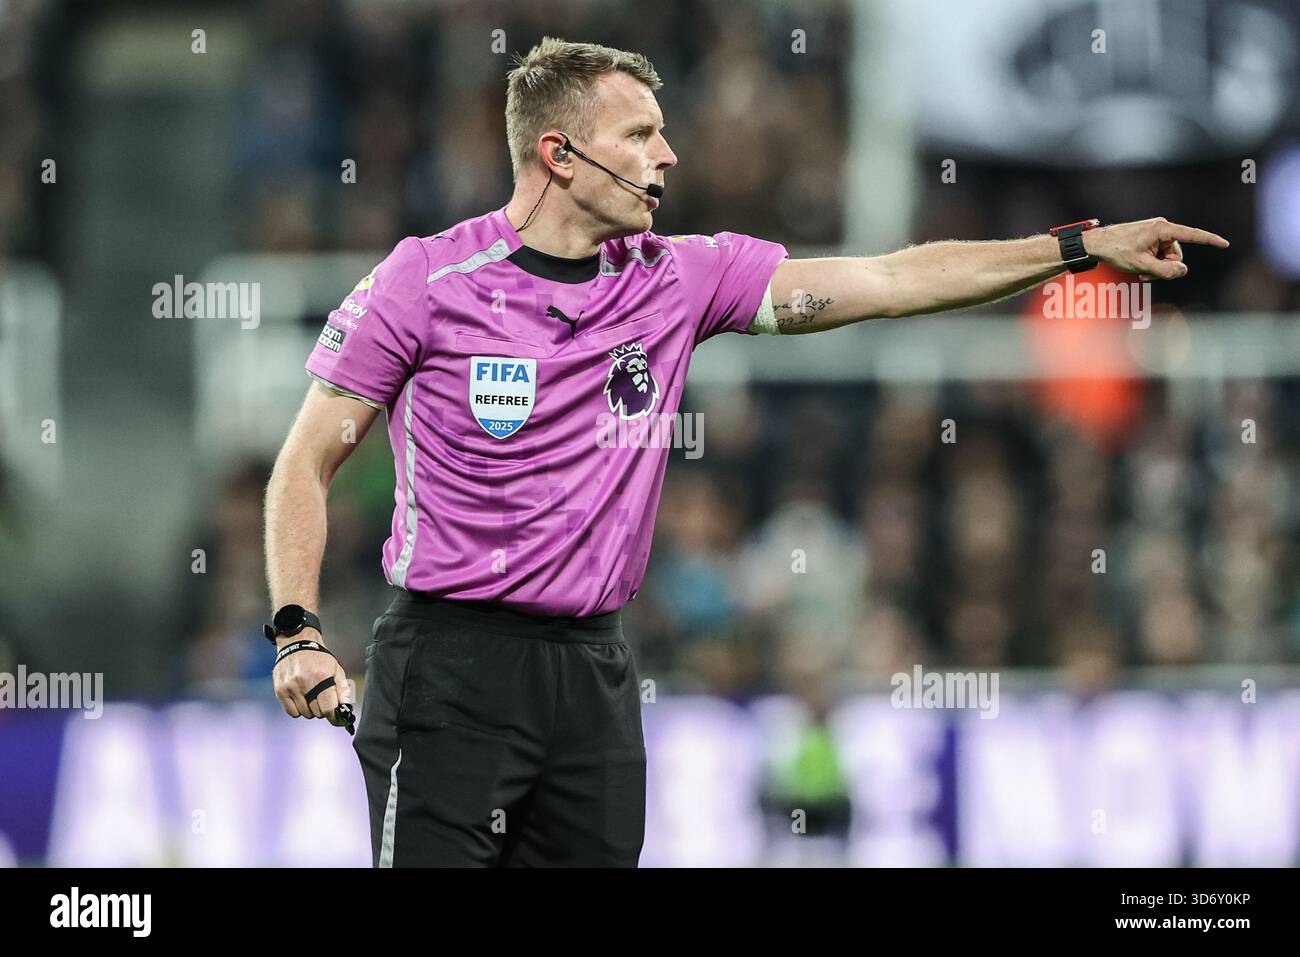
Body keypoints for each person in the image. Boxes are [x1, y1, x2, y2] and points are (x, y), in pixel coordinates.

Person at [262, 36, 1229, 867]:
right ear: (557, 153)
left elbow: (887, 280)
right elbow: (305, 461)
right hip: (449, 664)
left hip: (594, 673)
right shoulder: (426, 279)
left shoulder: (679, 280)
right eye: (640, 135)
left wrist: (1074, 246)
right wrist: (299, 629)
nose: (667, 156)